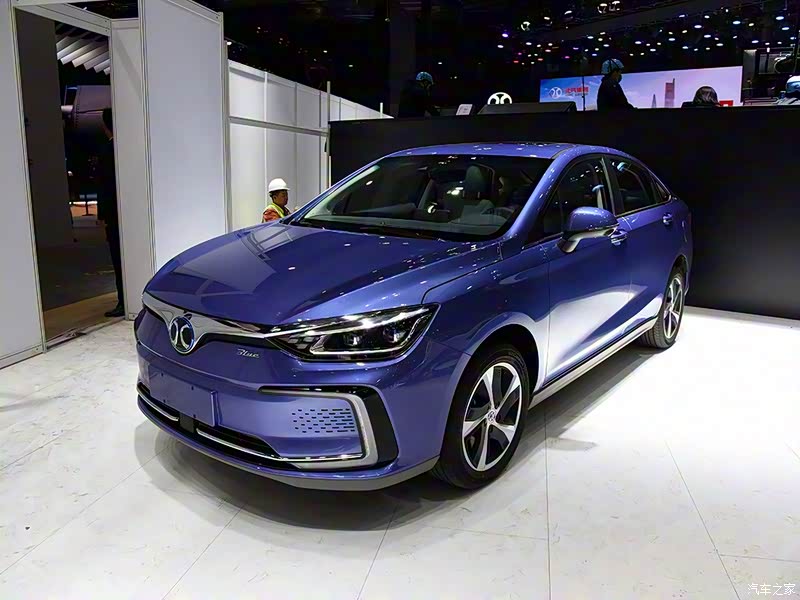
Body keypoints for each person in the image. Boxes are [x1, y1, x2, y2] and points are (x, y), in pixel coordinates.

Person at [97, 108, 124, 318]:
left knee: (117, 257)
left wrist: (102, 216)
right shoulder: (126, 148)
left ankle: (123, 301)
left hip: (114, 215)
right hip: (127, 212)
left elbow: (104, 186)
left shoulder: (107, 151)